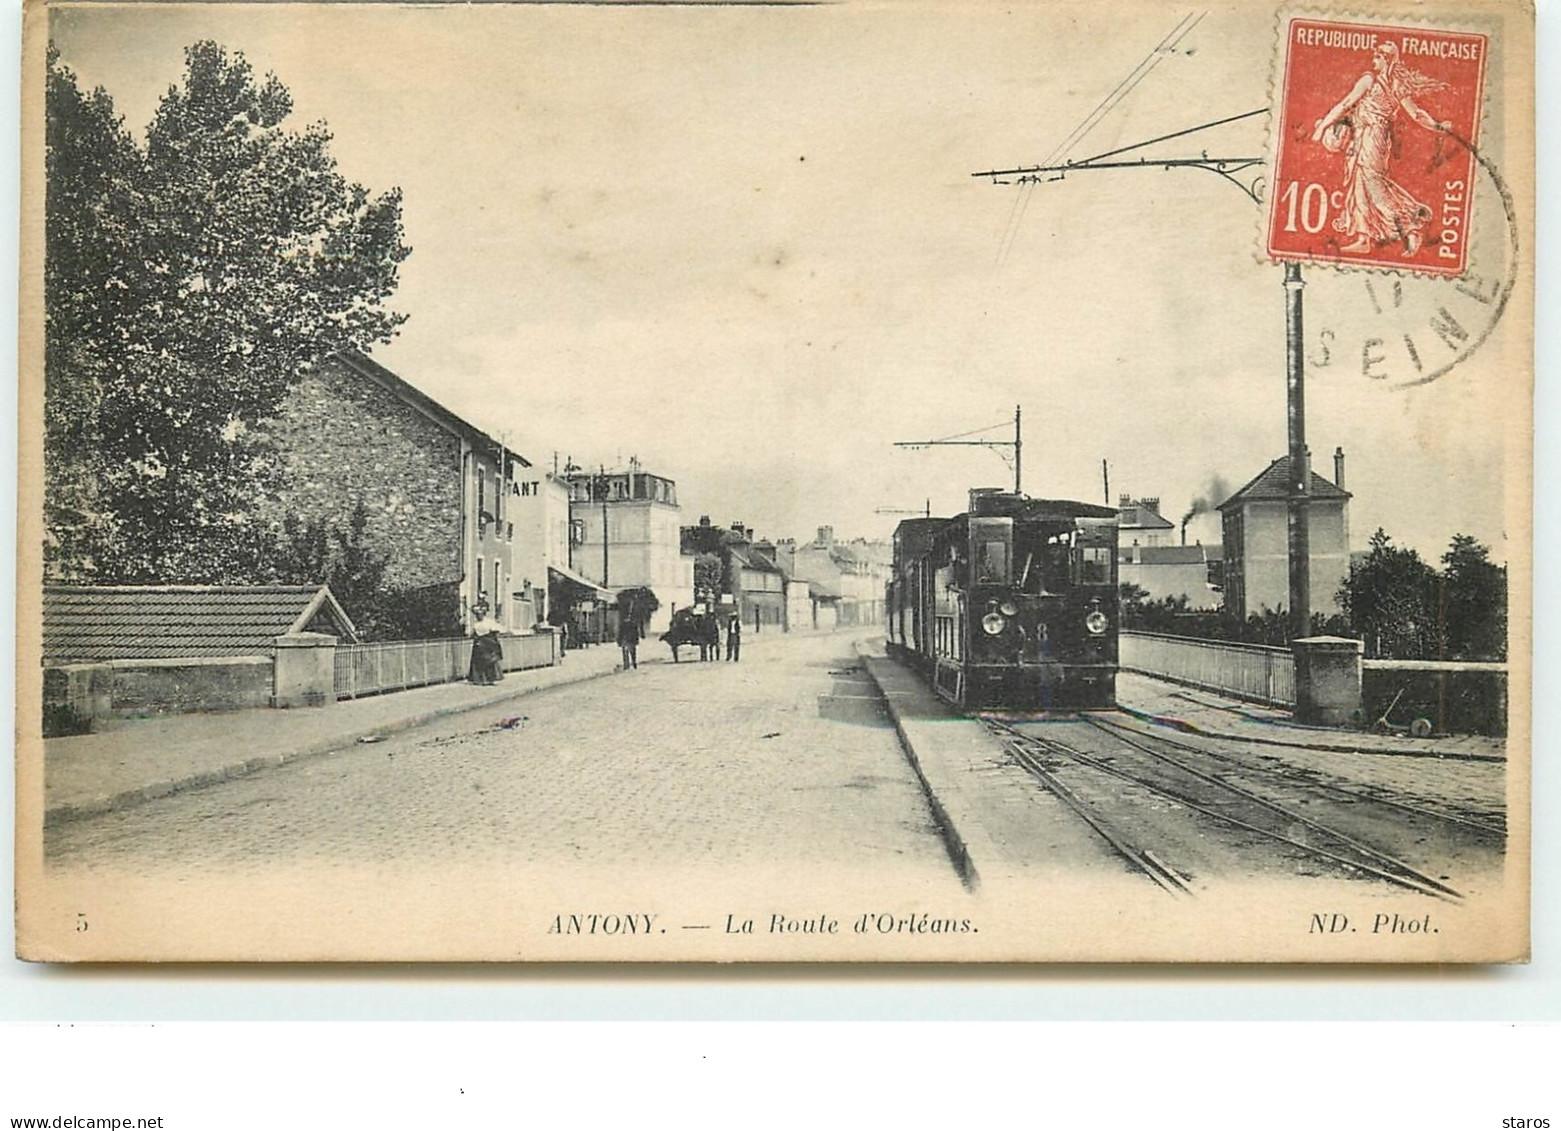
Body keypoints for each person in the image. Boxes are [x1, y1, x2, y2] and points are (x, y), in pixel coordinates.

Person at [1310, 41, 1453, 257]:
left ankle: (1411, 228)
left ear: (1386, 59)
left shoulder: (1371, 81)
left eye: (1377, 56)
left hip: (1373, 137)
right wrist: (1437, 126)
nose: (1373, 60)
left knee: (1374, 187)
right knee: (1359, 186)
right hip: (1364, 136)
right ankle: (1363, 238)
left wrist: (1322, 127)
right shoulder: (1395, 84)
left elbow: (1346, 103)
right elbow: (1417, 114)